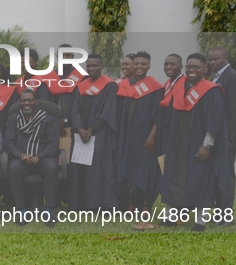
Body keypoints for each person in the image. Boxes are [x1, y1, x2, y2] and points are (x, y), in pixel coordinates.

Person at [161, 53, 228, 231]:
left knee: (201, 180)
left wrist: (206, 145)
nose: (191, 70)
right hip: (178, 143)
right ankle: (170, 217)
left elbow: (215, 120)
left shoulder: (211, 90)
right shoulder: (180, 87)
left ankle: (200, 221)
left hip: (198, 144)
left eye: (195, 67)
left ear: (205, 69)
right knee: (174, 178)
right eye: (188, 67)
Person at [116, 51, 164, 214]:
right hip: (127, 135)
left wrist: (152, 135)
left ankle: (145, 205)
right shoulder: (124, 85)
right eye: (136, 64)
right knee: (128, 167)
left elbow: (159, 114)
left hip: (145, 136)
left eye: (143, 64)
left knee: (146, 170)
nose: (139, 67)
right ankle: (130, 204)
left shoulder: (155, 87)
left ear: (149, 66)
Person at [68, 54, 118, 211]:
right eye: (88, 66)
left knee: (97, 170)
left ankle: (98, 205)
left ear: (102, 66)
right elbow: (74, 109)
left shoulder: (109, 86)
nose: (91, 69)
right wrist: (79, 129)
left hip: (100, 134)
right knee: (79, 168)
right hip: (82, 134)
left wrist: (90, 130)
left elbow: (108, 111)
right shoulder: (81, 85)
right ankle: (79, 205)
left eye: (95, 65)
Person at [5, 89, 60, 226]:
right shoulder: (14, 119)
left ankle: (49, 212)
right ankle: (21, 211)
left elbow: (53, 144)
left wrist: (38, 157)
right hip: (21, 159)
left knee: (52, 168)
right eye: (23, 100)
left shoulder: (47, 119)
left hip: (42, 159)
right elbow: (8, 142)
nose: (27, 103)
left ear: (35, 101)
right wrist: (21, 155)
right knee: (13, 168)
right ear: (19, 102)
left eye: (30, 100)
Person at [208, 46, 236, 226]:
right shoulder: (214, 78)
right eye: (210, 59)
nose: (212, 62)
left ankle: (226, 215)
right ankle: (218, 212)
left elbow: (234, 111)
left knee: (227, 175)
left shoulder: (233, 78)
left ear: (226, 58)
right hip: (216, 137)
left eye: (216, 59)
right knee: (216, 175)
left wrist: (228, 138)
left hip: (226, 139)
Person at [159, 54, 185, 160]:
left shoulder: (185, 83)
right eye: (166, 64)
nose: (168, 67)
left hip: (178, 130)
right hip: (166, 129)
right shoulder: (167, 84)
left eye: (172, 64)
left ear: (181, 66)